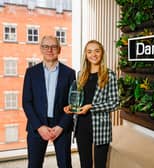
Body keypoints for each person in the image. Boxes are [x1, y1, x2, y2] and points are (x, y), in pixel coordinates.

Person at [64, 40, 119, 168]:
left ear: (102, 53)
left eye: (97, 51)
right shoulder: (80, 74)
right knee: (85, 164)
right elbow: (78, 98)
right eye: (89, 51)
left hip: (100, 126)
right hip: (81, 125)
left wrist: (92, 107)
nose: (93, 54)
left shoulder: (109, 75)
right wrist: (71, 107)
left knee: (100, 164)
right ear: (86, 54)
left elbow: (115, 103)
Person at [22, 35, 76, 168]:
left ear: (59, 49)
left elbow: (73, 103)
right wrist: (39, 127)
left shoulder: (69, 73)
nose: (49, 50)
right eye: (46, 46)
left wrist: (61, 126)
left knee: (65, 164)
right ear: (41, 49)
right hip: (37, 125)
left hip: (61, 125)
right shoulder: (31, 73)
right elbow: (27, 102)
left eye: (53, 47)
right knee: (34, 165)